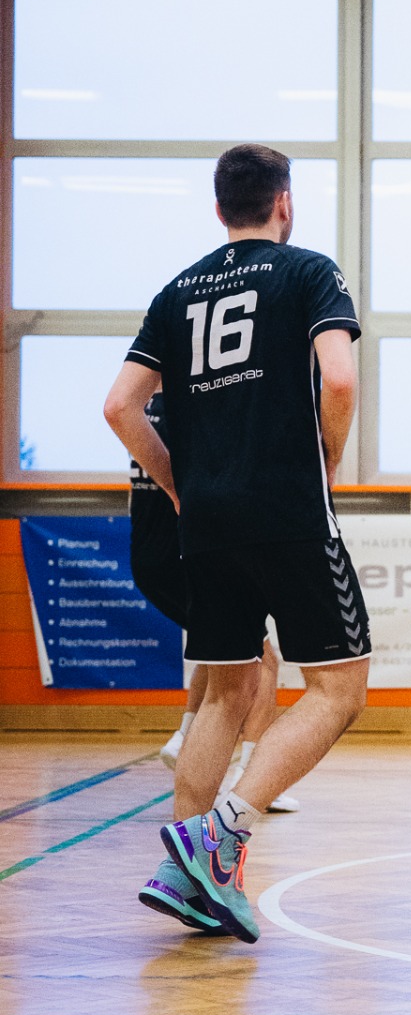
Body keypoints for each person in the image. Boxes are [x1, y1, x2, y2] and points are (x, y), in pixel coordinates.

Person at [104, 143, 371, 943]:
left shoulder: (177, 291)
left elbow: (120, 407)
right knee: (339, 690)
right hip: (286, 509)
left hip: (208, 522)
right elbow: (341, 377)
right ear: (284, 203)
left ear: (220, 209)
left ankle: (185, 875)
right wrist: (327, 459)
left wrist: (179, 486)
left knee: (225, 691)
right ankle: (223, 833)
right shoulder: (309, 271)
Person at [131, 392, 299, 842]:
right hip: (184, 555)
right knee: (260, 660)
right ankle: (250, 778)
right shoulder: (195, 410)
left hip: (150, 556)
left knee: (224, 655)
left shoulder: (148, 410)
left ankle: (184, 738)